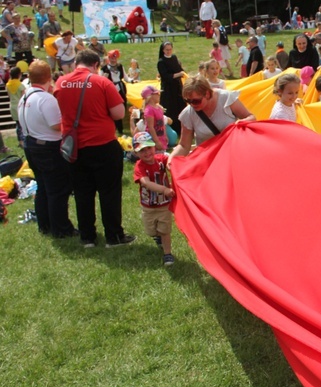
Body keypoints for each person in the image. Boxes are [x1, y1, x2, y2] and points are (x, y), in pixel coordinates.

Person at [54, 50, 134, 248]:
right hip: (102, 144)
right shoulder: (101, 82)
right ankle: (114, 236)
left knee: (82, 193)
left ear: (76, 63)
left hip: (75, 147)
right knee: (109, 192)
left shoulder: (61, 82)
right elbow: (118, 113)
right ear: (96, 65)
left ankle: (87, 236)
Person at [18, 60, 76, 237]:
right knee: (57, 190)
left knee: (43, 187)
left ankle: (45, 224)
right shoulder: (45, 99)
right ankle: (61, 228)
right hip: (47, 148)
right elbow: (56, 125)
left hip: (31, 144)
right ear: (49, 77)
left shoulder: (25, 96)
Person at [170, 76, 255, 159]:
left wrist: (242, 122)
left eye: (196, 101)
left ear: (207, 94)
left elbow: (252, 117)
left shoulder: (226, 98)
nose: (192, 104)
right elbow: (184, 145)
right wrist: (171, 159)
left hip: (233, 155)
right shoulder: (188, 113)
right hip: (209, 160)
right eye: (188, 101)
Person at [132, 132, 176, 266]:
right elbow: (145, 183)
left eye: (149, 148)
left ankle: (167, 254)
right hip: (148, 206)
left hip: (164, 206)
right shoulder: (140, 167)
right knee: (150, 231)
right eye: (142, 150)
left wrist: (172, 160)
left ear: (154, 147)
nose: (147, 153)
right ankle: (157, 237)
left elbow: (172, 160)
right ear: (136, 153)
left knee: (165, 230)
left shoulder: (161, 159)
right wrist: (164, 189)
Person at [157, 42, 188, 134]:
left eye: (170, 49)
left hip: (177, 87)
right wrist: (179, 74)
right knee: (170, 108)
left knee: (180, 106)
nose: (169, 51)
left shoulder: (174, 58)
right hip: (168, 89)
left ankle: (182, 128)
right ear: (163, 50)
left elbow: (179, 69)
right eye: (167, 49)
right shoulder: (161, 62)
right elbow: (166, 76)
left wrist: (183, 73)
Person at [100, 49, 129, 135]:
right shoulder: (104, 68)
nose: (113, 60)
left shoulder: (120, 66)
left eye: (115, 58)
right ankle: (112, 128)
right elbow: (100, 80)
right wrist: (104, 78)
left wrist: (131, 80)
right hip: (110, 88)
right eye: (112, 58)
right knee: (110, 107)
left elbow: (126, 77)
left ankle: (120, 129)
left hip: (120, 88)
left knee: (122, 105)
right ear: (108, 58)